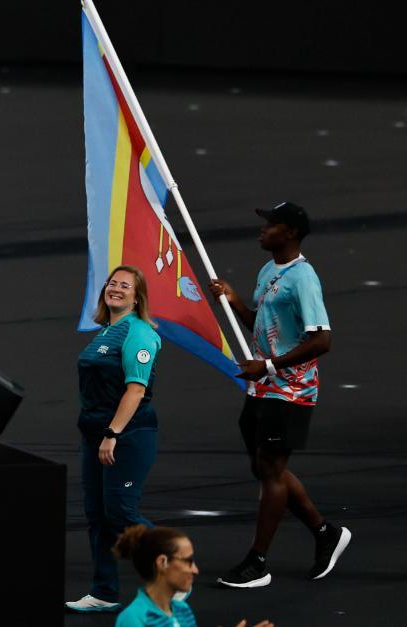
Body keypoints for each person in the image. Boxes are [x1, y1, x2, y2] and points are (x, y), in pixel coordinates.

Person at [209, 202, 350, 588]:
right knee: (264, 468)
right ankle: (326, 534)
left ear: (289, 232)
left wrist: (270, 367)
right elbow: (265, 328)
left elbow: (322, 339)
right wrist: (235, 301)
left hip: (290, 391)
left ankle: (258, 563)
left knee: (270, 472)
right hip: (263, 385)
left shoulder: (304, 278)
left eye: (269, 225)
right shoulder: (270, 270)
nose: (262, 230)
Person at [66, 265, 162, 614]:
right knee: (97, 515)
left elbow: (135, 390)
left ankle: (175, 563)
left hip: (127, 435)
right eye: (112, 283)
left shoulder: (138, 333)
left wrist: (112, 434)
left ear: (137, 297)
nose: (116, 289)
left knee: (121, 511)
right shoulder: (106, 331)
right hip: (95, 436)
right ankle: (104, 591)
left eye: (125, 285)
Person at [113, 525, 274, 627]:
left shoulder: (182, 611)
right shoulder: (134, 620)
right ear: (162, 562)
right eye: (188, 561)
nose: (195, 570)